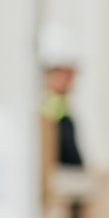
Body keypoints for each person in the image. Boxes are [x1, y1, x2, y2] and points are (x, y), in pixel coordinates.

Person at [39, 23, 84, 169]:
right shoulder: (55, 113)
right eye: (70, 72)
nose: (73, 78)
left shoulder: (44, 105)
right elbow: (72, 160)